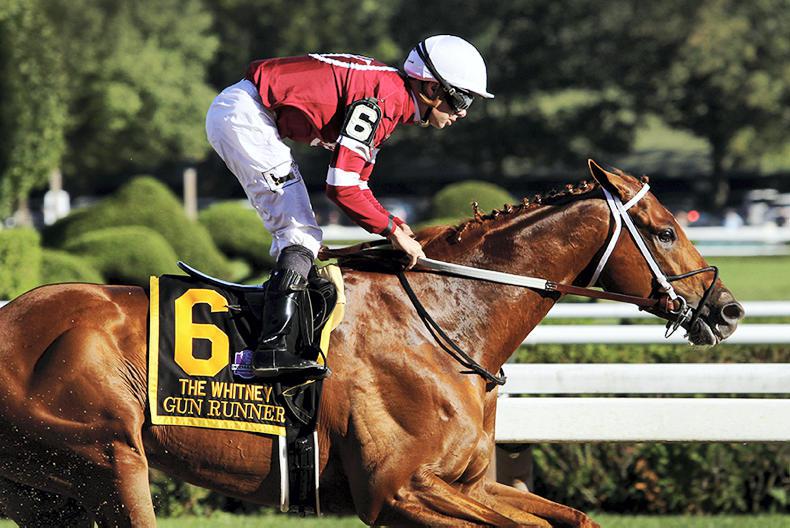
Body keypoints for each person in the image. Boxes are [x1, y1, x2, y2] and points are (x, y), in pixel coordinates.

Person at [205, 35, 494, 380]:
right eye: (461, 98)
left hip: (246, 112)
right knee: (299, 234)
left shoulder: (389, 96)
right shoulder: (382, 101)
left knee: (301, 236)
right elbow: (340, 186)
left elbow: (357, 184)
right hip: (246, 117)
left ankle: (279, 339)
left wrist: (395, 225)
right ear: (431, 88)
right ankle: (273, 350)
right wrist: (390, 230)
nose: (463, 111)